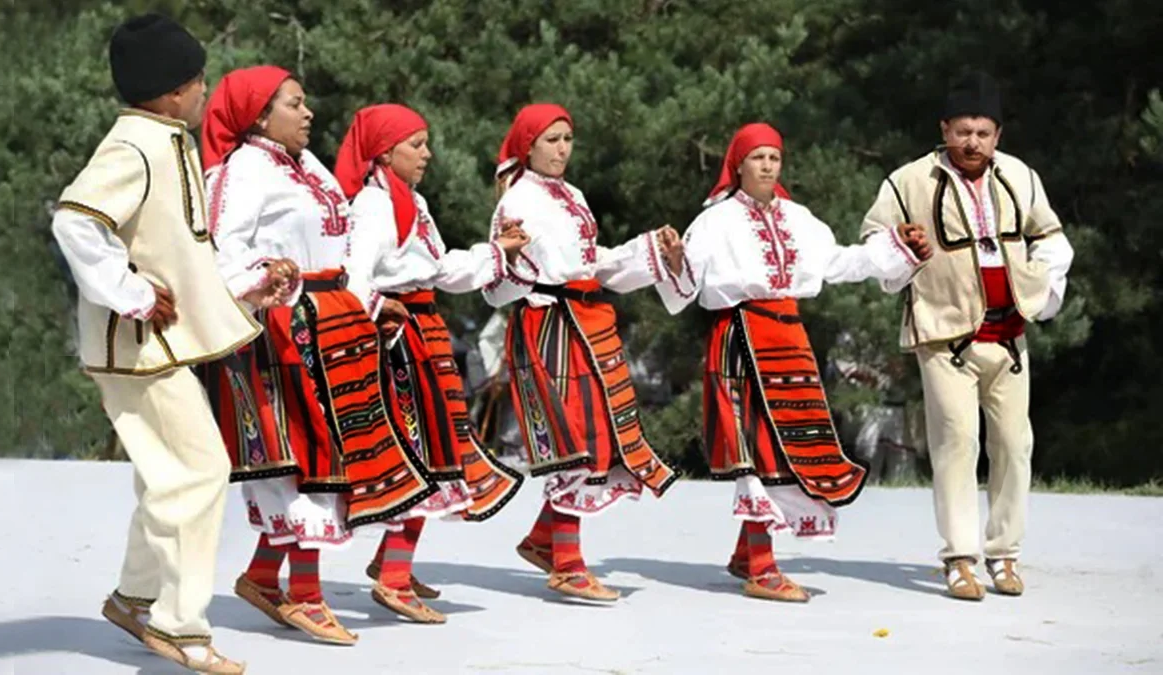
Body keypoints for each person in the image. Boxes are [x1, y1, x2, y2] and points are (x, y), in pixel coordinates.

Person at [51, 14, 271, 673]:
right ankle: (178, 624)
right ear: (174, 90)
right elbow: (75, 221)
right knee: (199, 471)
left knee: (170, 475)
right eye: (199, 80)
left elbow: (182, 251)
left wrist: (245, 288)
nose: (204, 91)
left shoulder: (165, 139)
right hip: (137, 345)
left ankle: (134, 596)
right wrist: (132, 292)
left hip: (155, 345)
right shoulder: (134, 145)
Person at [657, 122, 932, 601]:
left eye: (774, 158)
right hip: (741, 337)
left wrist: (897, 249)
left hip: (789, 339)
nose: (767, 166)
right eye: (757, 157)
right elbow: (686, 290)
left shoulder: (800, 218)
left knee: (792, 445)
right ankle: (762, 567)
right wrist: (677, 261)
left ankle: (749, 553)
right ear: (737, 164)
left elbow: (841, 263)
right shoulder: (714, 222)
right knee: (761, 448)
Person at [199, 67, 423, 642]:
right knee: (307, 459)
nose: (309, 114)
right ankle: (304, 593)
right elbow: (221, 251)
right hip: (282, 328)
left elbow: (340, 248)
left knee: (333, 453)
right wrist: (265, 277)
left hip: (333, 319)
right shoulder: (242, 171)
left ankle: (265, 577)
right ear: (259, 114)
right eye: (295, 105)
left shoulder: (310, 168)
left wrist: (370, 301)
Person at [860, 71, 1074, 601]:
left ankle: (1004, 554)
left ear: (997, 134)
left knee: (1014, 444)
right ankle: (959, 556)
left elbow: (1050, 237)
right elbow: (872, 241)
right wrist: (901, 244)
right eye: (962, 131)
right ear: (944, 129)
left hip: (1008, 336)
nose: (971, 142)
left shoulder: (1020, 176)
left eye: (982, 132)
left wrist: (1040, 289)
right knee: (956, 442)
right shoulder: (908, 181)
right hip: (944, 334)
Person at [482, 103, 687, 602]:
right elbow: (501, 283)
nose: (561, 149)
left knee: (597, 434)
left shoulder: (572, 195)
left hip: (586, 324)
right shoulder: (517, 199)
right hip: (549, 325)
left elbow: (591, 263)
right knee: (572, 440)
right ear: (528, 145)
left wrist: (653, 251)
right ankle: (568, 565)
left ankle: (543, 541)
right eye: (551, 139)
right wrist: (510, 261)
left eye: (567, 139)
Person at [334, 104, 526, 623]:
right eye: (416, 145)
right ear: (384, 151)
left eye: (425, 143)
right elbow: (353, 277)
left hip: (424, 330)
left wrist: (496, 252)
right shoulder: (374, 206)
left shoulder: (411, 202)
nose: (427, 154)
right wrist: (379, 308)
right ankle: (394, 577)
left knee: (437, 446)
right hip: (397, 339)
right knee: (420, 451)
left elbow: (439, 269)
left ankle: (392, 563)